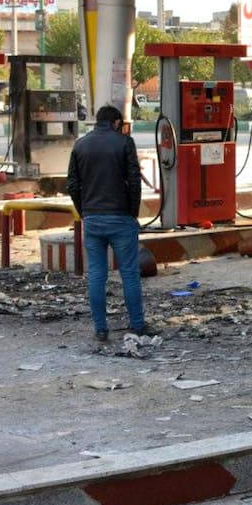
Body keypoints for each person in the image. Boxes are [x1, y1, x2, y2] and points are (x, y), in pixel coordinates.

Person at [66, 104, 156, 343]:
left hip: (93, 219)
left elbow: (72, 185)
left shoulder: (80, 144)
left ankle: (101, 329)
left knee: (96, 274)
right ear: (116, 122)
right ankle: (137, 325)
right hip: (120, 217)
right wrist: (132, 213)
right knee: (129, 273)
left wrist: (84, 211)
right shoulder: (125, 142)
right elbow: (134, 181)